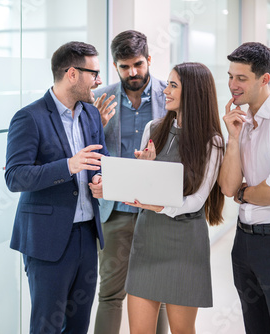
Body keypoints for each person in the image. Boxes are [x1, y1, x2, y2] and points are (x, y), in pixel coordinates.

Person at [91, 62, 225, 333]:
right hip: (148, 240)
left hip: (185, 245)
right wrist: (113, 185)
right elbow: (142, 186)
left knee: (181, 330)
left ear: (194, 92)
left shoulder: (212, 142)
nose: (166, 90)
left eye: (174, 85)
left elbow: (197, 200)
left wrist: (158, 204)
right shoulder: (154, 129)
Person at [5, 41, 109, 334]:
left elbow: (101, 159)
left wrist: (102, 179)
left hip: (87, 237)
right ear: (72, 74)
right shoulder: (29, 117)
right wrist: (68, 166)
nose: (99, 81)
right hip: (47, 242)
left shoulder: (90, 113)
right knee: (46, 326)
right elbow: (15, 176)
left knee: (78, 325)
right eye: (95, 73)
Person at [218, 42, 270, 334]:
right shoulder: (240, 121)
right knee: (255, 328)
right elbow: (228, 187)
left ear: (264, 79)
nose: (233, 85)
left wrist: (244, 194)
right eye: (230, 76)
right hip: (243, 244)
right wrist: (232, 139)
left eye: (241, 78)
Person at [91, 30, 168, 334]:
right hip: (116, 211)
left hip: (156, 212)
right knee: (110, 293)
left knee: (156, 293)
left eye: (138, 64)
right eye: (125, 67)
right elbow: (85, 151)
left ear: (149, 59)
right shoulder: (100, 99)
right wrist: (95, 127)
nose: (132, 72)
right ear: (115, 66)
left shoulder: (170, 95)